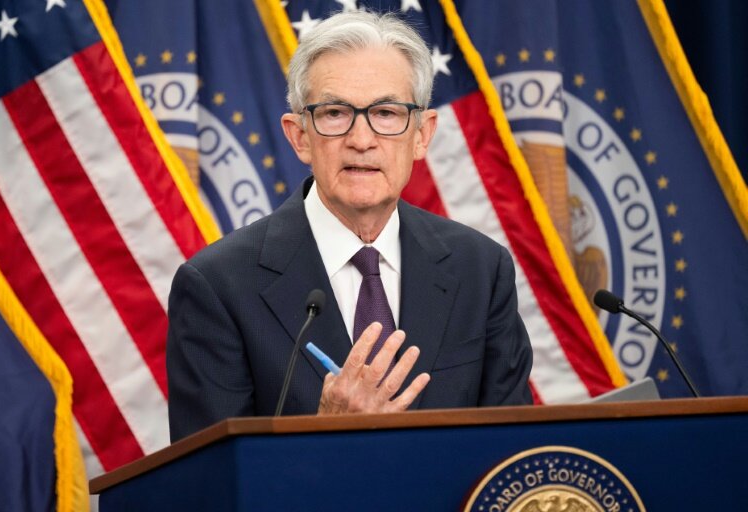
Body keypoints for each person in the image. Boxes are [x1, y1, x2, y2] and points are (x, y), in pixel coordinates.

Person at [166, 11, 533, 442]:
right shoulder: (217, 286)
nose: (362, 138)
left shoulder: (480, 270)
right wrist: (326, 433)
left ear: (422, 134)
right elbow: (213, 488)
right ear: (300, 135)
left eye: (387, 112)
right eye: (336, 113)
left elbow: (513, 453)